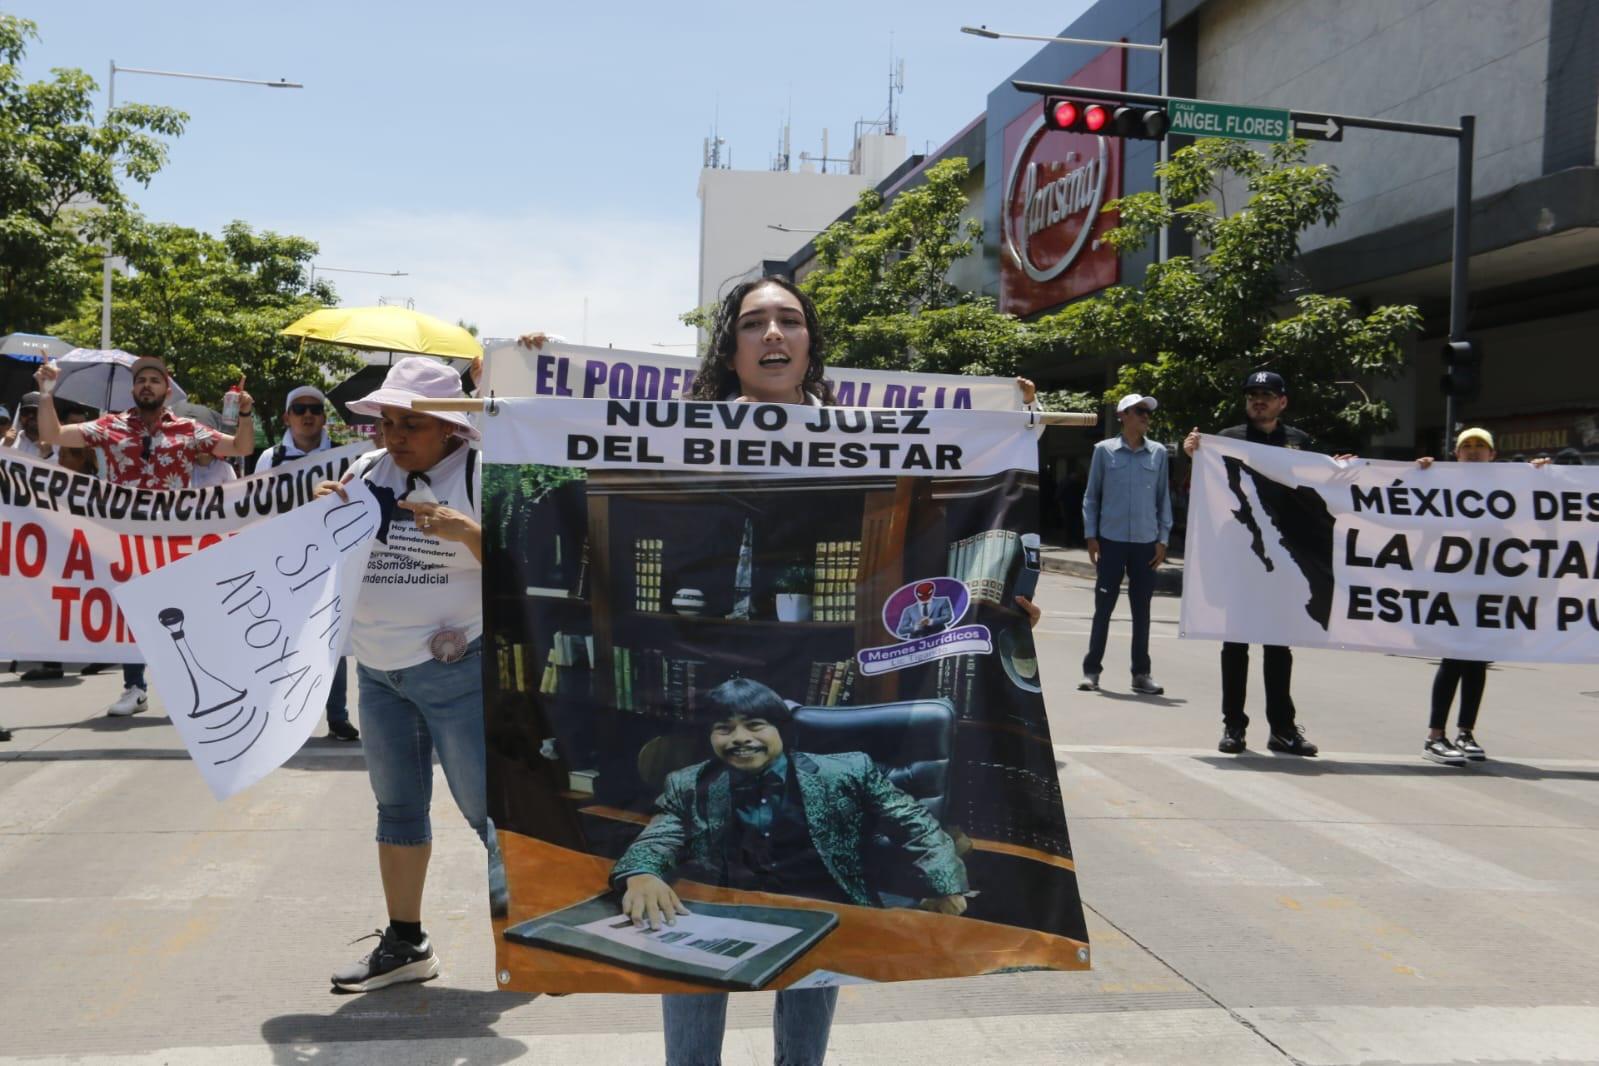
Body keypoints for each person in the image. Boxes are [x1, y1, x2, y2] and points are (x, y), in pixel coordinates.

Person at [315, 357, 502, 993]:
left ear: (452, 428)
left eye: (411, 424)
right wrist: (325, 514)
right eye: (387, 421)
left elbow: (532, 564)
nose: (394, 436)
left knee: (489, 813)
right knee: (396, 810)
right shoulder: (366, 471)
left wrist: (470, 532)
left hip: (460, 671)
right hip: (379, 672)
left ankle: (540, 932)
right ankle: (406, 944)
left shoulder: (480, 474)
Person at [614, 677, 969, 913]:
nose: (739, 738)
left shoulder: (847, 771)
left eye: (754, 726)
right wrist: (642, 873)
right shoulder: (688, 783)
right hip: (733, 909)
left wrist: (945, 887)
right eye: (724, 729)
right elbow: (658, 839)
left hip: (831, 911)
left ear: (781, 731)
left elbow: (917, 825)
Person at [34, 356, 256, 717]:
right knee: (135, 615)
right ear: (133, 389)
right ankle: (135, 688)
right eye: (141, 380)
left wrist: (245, 414)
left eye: (155, 379)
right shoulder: (111, 427)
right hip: (127, 539)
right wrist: (46, 393)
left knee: (181, 613)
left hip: (173, 540)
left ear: (167, 390)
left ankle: (191, 686)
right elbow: (52, 435)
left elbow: (241, 447)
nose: (147, 386)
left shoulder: (188, 430)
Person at [1183, 370, 1324, 757]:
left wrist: (1340, 472)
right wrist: (1194, 454)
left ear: (1283, 401)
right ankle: (1234, 726)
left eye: (1266, 394)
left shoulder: (1300, 443)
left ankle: (1282, 728)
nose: (1258, 400)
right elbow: (1201, 491)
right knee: (1236, 645)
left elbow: (1319, 491)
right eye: (1252, 395)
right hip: (1240, 556)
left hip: (1284, 560)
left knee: (1279, 647)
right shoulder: (1224, 441)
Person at [1413, 428, 1549, 765]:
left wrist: (1545, 476)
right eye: (1466, 447)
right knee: (1453, 658)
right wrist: (1421, 472)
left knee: (1477, 660)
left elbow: (1540, 513)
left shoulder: (1509, 486)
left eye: (1480, 446)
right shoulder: (1440, 483)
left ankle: (1466, 732)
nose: (1473, 452)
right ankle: (1435, 736)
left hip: (1491, 586)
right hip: (1453, 585)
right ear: (1456, 455)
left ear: (1493, 454)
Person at [256, 385, 357, 742]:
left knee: (332, 643)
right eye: (299, 408)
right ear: (287, 417)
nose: (308, 414)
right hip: (285, 561)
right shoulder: (270, 459)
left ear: (324, 416)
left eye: (314, 408)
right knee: (283, 642)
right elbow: (260, 509)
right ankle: (282, 719)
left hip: (330, 559)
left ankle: (337, 717)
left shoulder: (346, 458)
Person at [1079, 393, 1172, 695]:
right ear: (1123, 415)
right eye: (1139, 410)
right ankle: (1092, 671)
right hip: (1111, 540)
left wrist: (1163, 539)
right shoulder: (1104, 451)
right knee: (1103, 608)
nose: (1146, 416)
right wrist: (1091, 536)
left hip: (1146, 542)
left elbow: (1163, 499)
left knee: (1142, 611)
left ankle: (1141, 674)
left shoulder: (1158, 453)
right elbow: (1092, 497)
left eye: (1148, 411)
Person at [1, 392, 52, 460]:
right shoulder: (8, 441)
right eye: (25, 412)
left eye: (36, 412)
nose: (31, 416)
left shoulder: (55, 448)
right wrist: (5, 446)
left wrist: (49, 455)